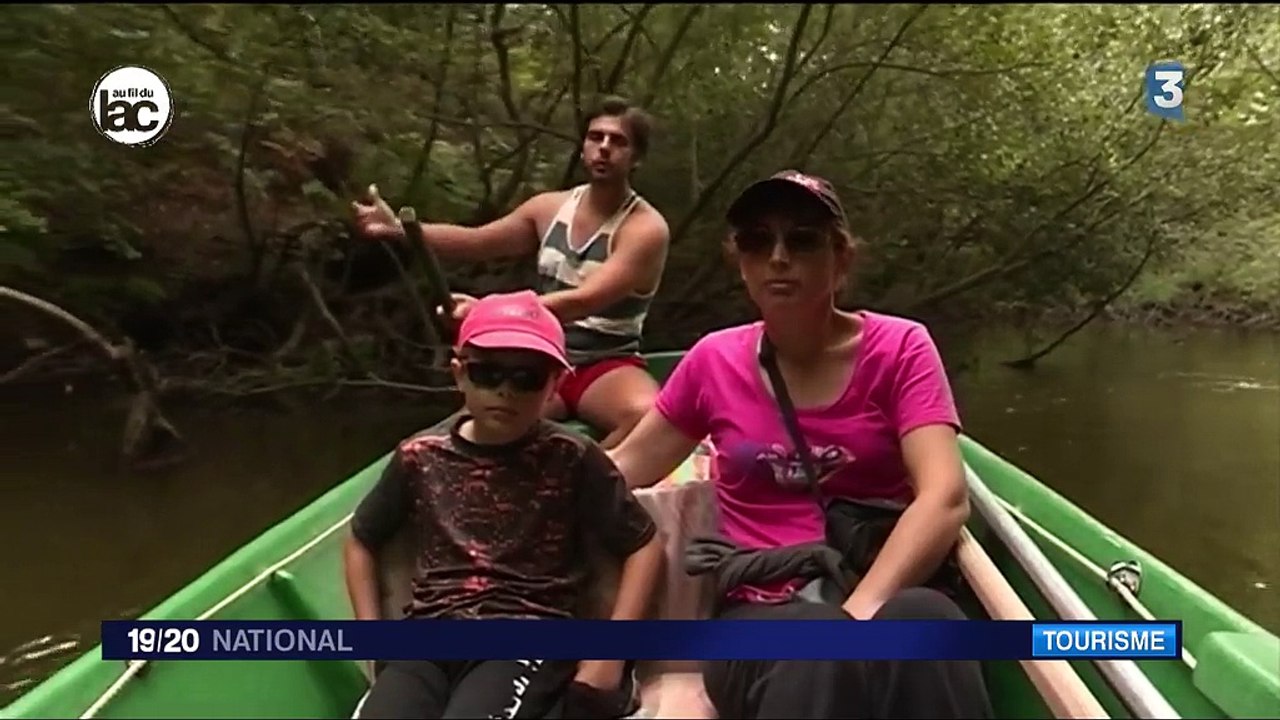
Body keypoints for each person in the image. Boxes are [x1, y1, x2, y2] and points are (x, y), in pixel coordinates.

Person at [605, 171, 995, 718]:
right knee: (814, 641)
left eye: (803, 240)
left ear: (841, 259)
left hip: (871, 580)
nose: (779, 257)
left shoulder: (901, 347)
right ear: (741, 262)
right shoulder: (713, 360)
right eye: (758, 242)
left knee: (928, 619)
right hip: (757, 613)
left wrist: (858, 614)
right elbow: (626, 466)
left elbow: (944, 497)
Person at [343, 290, 665, 719]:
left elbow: (643, 545)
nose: (505, 392)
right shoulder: (418, 456)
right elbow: (361, 539)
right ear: (459, 374)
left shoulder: (572, 456)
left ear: (555, 383)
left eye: (526, 378)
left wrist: (610, 658)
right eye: (487, 374)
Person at [351, 97, 670, 449]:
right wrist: (399, 230)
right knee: (480, 422)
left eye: (619, 141)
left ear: (636, 158)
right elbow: (477, 242)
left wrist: (491, 313)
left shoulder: (646, 229)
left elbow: (584, 300)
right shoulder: (548, 208)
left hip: (606, 364)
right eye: (596, 137)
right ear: (583, 148)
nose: (604, 148)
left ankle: (588, 484)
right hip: (542, 355)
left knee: (646, 417)